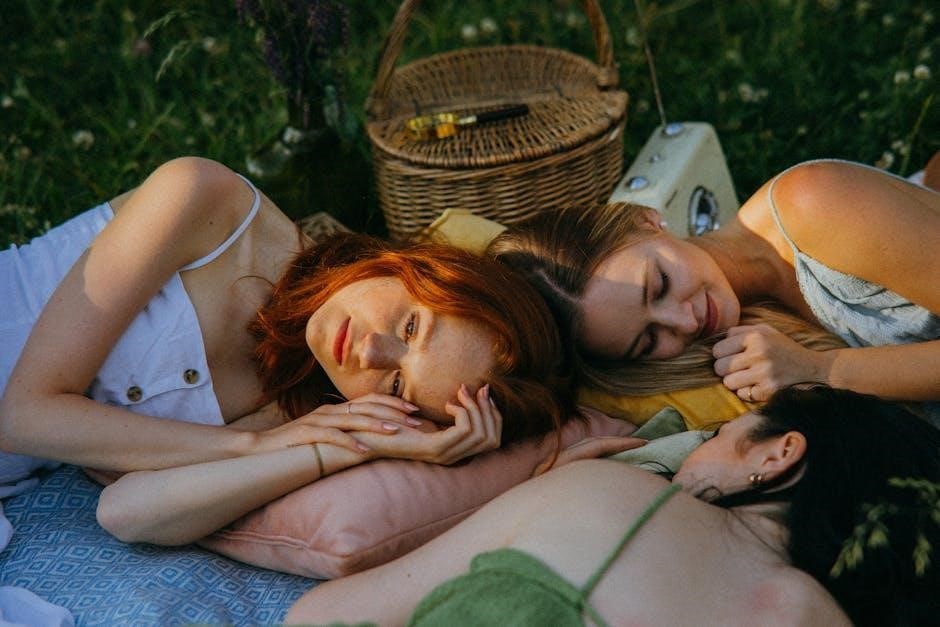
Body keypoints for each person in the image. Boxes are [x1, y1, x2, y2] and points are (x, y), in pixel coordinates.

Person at [0, 156, 575, 529]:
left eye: (398, 385)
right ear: (414, 266)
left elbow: (126, 511)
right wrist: (251, 447)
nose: (370, 354)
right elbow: (22, 417)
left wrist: (351, 447)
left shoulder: (301, 404)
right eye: (410, 327)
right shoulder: (208, 203)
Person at [285, 386, 940, 626]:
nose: (687, 453)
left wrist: (531, 496)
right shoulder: (817, 614)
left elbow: (321, 615)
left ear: (777, 455)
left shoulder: (605, 491)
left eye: (716, 434)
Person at [488, 158, 940, 424]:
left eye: (659, 285)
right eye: (648, 340)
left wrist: (822, 370)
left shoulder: (814, 203)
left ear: (646, 218)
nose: (684, 322)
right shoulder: (742, 333)